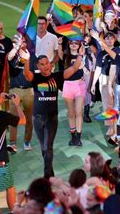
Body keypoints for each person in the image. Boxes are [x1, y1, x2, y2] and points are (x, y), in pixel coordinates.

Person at [21, 47, 83, 178]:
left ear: (50, 64)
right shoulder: (36, 77)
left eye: (47, 63)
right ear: (38, 66)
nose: (45, 67)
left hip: (51, 118)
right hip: (37, 118)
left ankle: (47, 176)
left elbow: (74, 68)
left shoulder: (57, 76)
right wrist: (26, 60)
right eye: (42, 65)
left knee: (48, 146)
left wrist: (80, 54)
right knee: (44, 148)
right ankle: (50, 171)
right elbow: (27, 74)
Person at [58, 37, 88, 147]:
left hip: (80, 85)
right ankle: (73, 136)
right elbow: (60, 53)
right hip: (68, 86)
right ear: (69, 44)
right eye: (72, 43)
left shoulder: (83, 55)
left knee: (79, 112)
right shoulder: (65, 55)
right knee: (71, 113)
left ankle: (78, 137)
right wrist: (60, 43)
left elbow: (87, 68)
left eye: (76, 43)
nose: (74, 44)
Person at [7, 37, 34, 152]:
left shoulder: (32, 56)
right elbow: (9, 57)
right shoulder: (13, 55)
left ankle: (27, 141)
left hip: (29, 90)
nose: (20, 43)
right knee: (13, 118)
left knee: (29, 118)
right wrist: (16, 47)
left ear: (26, 43)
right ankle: (13, 143)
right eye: (17, 41)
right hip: (15, 90)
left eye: (22, 41)